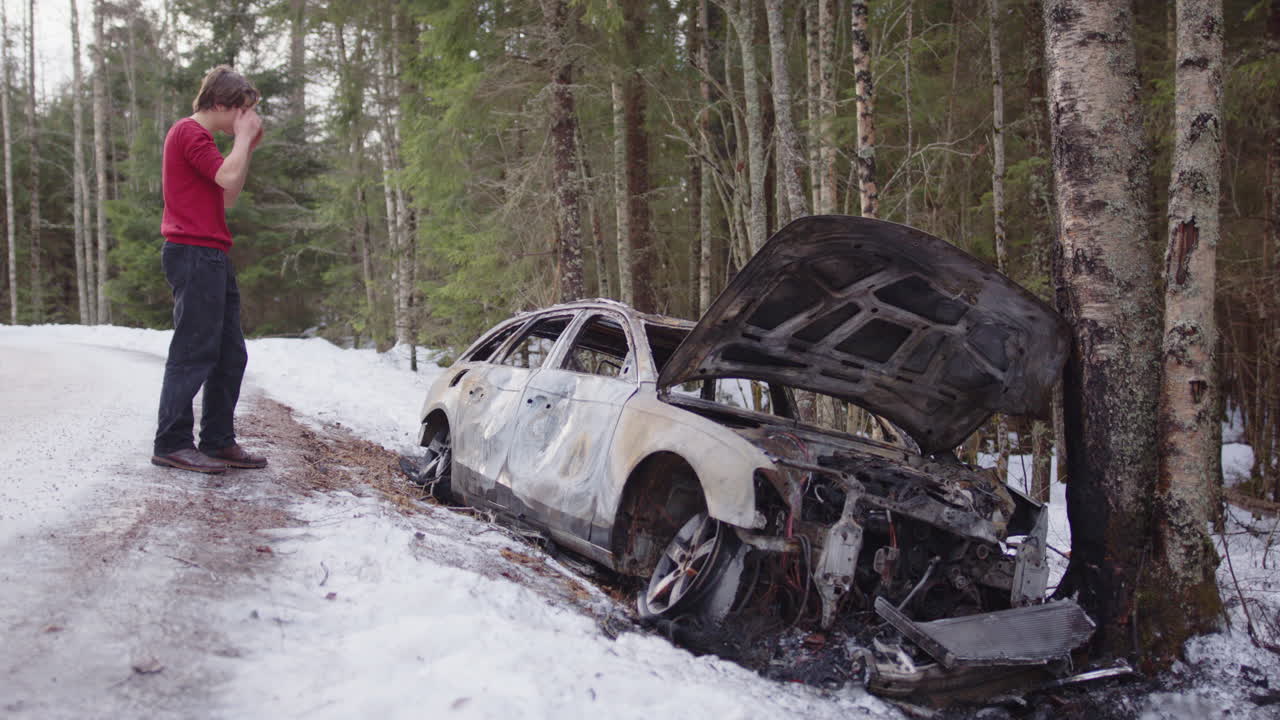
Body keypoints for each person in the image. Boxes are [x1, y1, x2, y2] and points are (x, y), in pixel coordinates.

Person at [151, 65, 267, 474]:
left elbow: (227, 193)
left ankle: (217, 440)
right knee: (193, 350)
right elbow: (227, 177)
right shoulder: (189, 132)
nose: (244, 117)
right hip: (193, 252)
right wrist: (242, 139)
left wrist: (245, 146)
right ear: (219, 103)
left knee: (229, 354)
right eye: (240, 110)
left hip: (211, 253)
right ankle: (171, 442)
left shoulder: (203, 140)